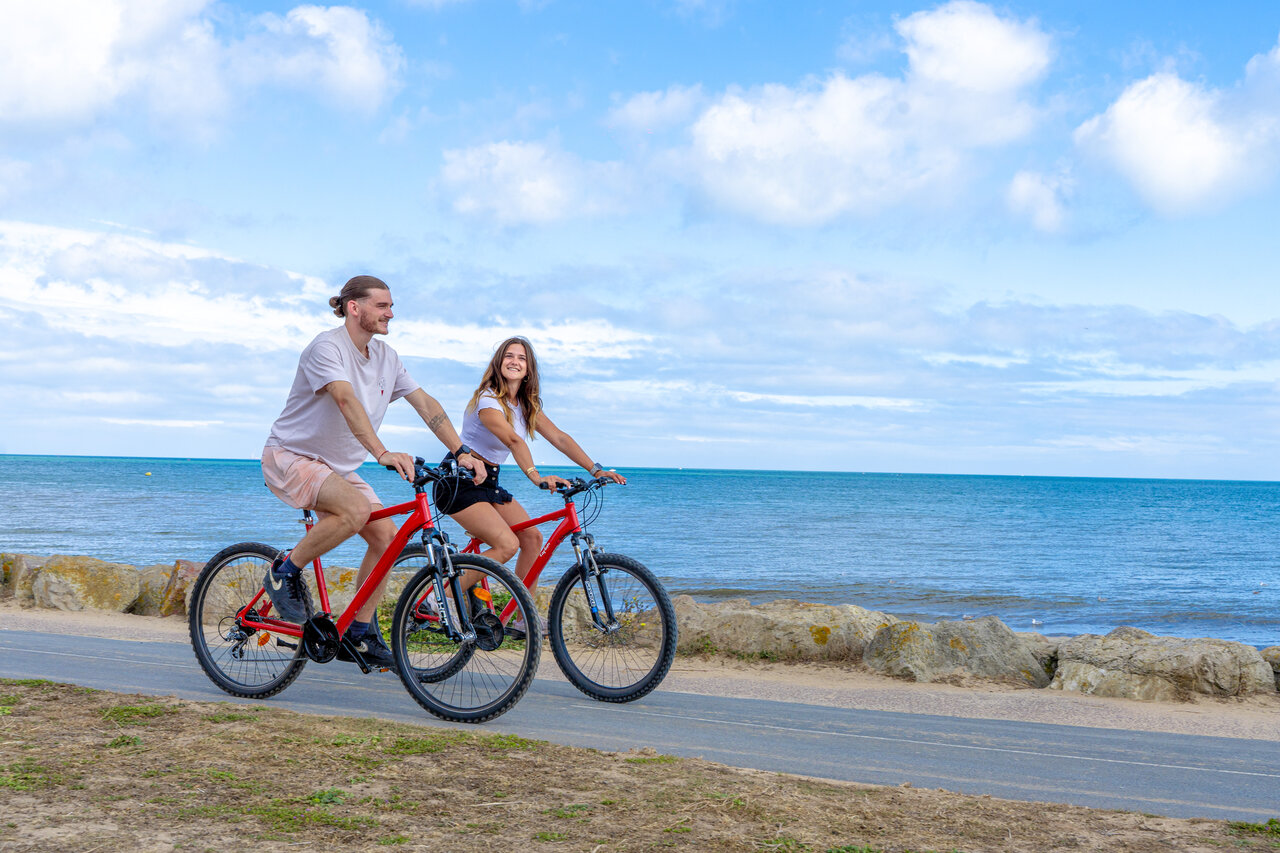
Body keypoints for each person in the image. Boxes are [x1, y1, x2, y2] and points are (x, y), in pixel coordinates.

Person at [260, 275, 484, 671]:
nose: (391, 314)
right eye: (382, 306)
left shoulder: (386, 357)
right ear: (354, 307)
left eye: (391, 306)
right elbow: (345, 399)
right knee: (355, 511)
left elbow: (425, 403)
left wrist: (461, 450)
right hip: (292, 456)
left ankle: (358, 633)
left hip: (338, 466)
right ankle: (284, 571)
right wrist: (380, 452)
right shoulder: (326, 347)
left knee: (387, 538)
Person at [434, 336, 624, 639]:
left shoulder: (524, 405)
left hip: (489, 482)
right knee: (507, 545)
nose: (514, 362)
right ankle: (439, 598)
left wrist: (595, 468)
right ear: (499, 363)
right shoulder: (488, 400)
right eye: (508, 356)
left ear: (528, 369)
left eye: (521, 358)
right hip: (460, 481)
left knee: (532, 537)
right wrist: (536, 477)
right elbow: (513, 440)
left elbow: (560, 438)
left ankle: (522, 617)